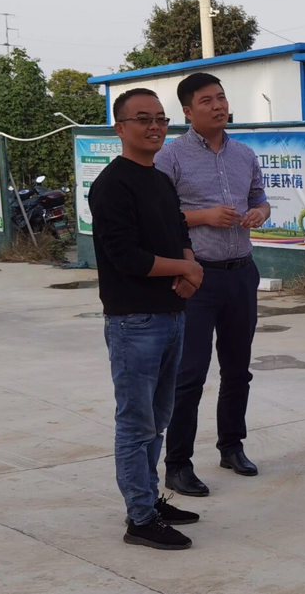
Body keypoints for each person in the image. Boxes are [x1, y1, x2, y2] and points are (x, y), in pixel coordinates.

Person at [90, 88, 204, 549]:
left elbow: (178, 230)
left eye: (160, 118)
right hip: (134, 322)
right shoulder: (112, 185)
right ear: (120, 128)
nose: (154, 126)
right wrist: (186, 270)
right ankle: (139, 518)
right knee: (136, 423)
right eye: (143, 119)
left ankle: (150, 499)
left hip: (171, 314)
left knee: (158, 418)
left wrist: (190, 268)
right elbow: (126, 256)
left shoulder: (159, 179)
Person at [155, 73, 271, 497]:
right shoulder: (171, 157)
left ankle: (231, 446)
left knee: (238, 369)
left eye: (221, 98)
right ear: (188, 111)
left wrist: (260, 213)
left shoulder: (244, 154)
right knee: (189, 374)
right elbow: (158, 216)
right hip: (196, 277)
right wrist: (203, 216)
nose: (218, 105)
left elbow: (260, 198)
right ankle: (178, 463)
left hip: (241, 272)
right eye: (207, 100)